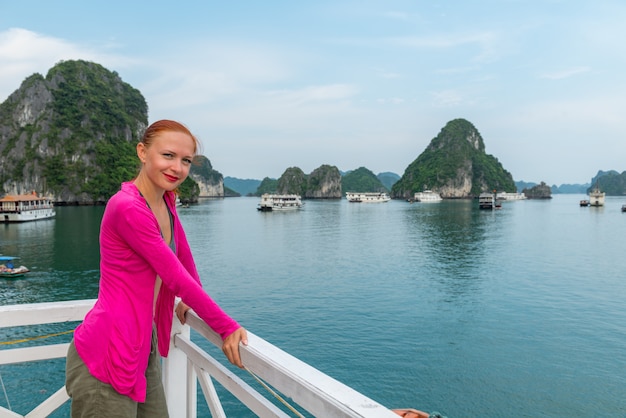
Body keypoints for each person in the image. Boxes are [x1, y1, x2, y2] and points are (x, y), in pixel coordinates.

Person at [65, 119, 248, 417]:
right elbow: (175, 277)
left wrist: (191, 299)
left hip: (141, 344)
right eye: (168, 155)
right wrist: (226, 327)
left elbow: (184, 258)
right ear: (142, 152)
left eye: (185, 160)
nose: (177, 167)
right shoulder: (127, 207)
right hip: (109, 348)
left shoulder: (165, 201)